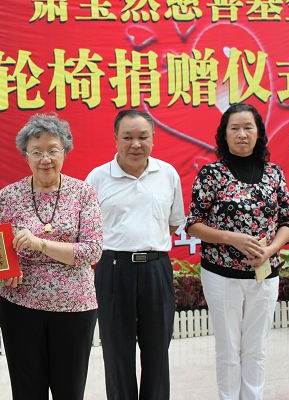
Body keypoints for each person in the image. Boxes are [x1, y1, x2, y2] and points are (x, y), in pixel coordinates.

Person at [186, 103, 289, 400]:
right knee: (229, 349)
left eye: (248, 127)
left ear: (259, 133)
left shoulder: (274, 173)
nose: (242, 134)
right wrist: (231, 238)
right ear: (224, 135)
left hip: (265, 274)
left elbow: (287, 223)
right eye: (234, 128)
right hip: (221, 276)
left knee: (256, 349)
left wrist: (270, 249)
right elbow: (193, 224)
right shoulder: (212, 174)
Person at [0, 113, 103, 400]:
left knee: (69, 391)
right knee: (27, 391)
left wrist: (40, 244)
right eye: (36, 151)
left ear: (64, 151)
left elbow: (92, 250)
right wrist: (6, 270)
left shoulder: (83, 193)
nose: (45, 159)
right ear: (25, 155)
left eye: (53, 150)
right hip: (20, 306)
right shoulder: (9, 195)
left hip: (74, 308)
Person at [86, 109, 185, 400]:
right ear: (115, 139)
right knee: (117, 353)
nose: (135, 144)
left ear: (153, 138)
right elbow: (88, 228)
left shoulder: (167, 174)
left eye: (143, 137)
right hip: (113, 269)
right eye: (127, 137)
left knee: (158, 352)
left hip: (156, 269)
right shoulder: (97, 178)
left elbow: (173, 222)